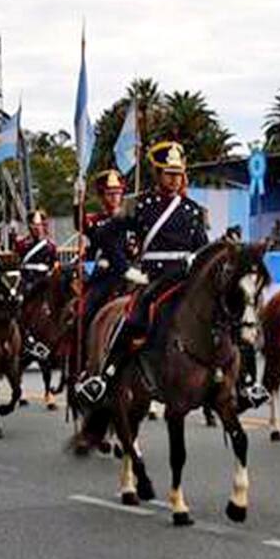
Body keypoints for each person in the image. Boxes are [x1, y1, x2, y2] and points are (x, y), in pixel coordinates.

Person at [75, 142, 209, 406]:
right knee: (132, 320)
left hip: (184, 279)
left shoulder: (193, 210)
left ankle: (241, 383)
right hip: (152, 279)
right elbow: (104, 235)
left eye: (178, 173)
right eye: (169, 173)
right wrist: (126, 269)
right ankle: (104, 374)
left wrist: (198, 260)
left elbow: (202, 246)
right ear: (157, 174)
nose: (174, 179)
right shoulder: (140, 205)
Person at [78, 168, 137, 328]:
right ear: (101, 196)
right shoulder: (96, 221)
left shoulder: (132, 220)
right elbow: (81, 224)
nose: (114, 197)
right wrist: (78, 203)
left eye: (117, 192)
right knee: (86, 311)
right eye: (109, 193)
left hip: (132, 273)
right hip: (106, 273)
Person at [15, 209, 59, 296]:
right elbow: (18, 261)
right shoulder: (22, 244)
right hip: (28, 278)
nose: (37, 228)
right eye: (34, 224)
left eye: (39, 225)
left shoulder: (49, 246)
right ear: (29, 225)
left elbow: (55, 263)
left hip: (44, 279)